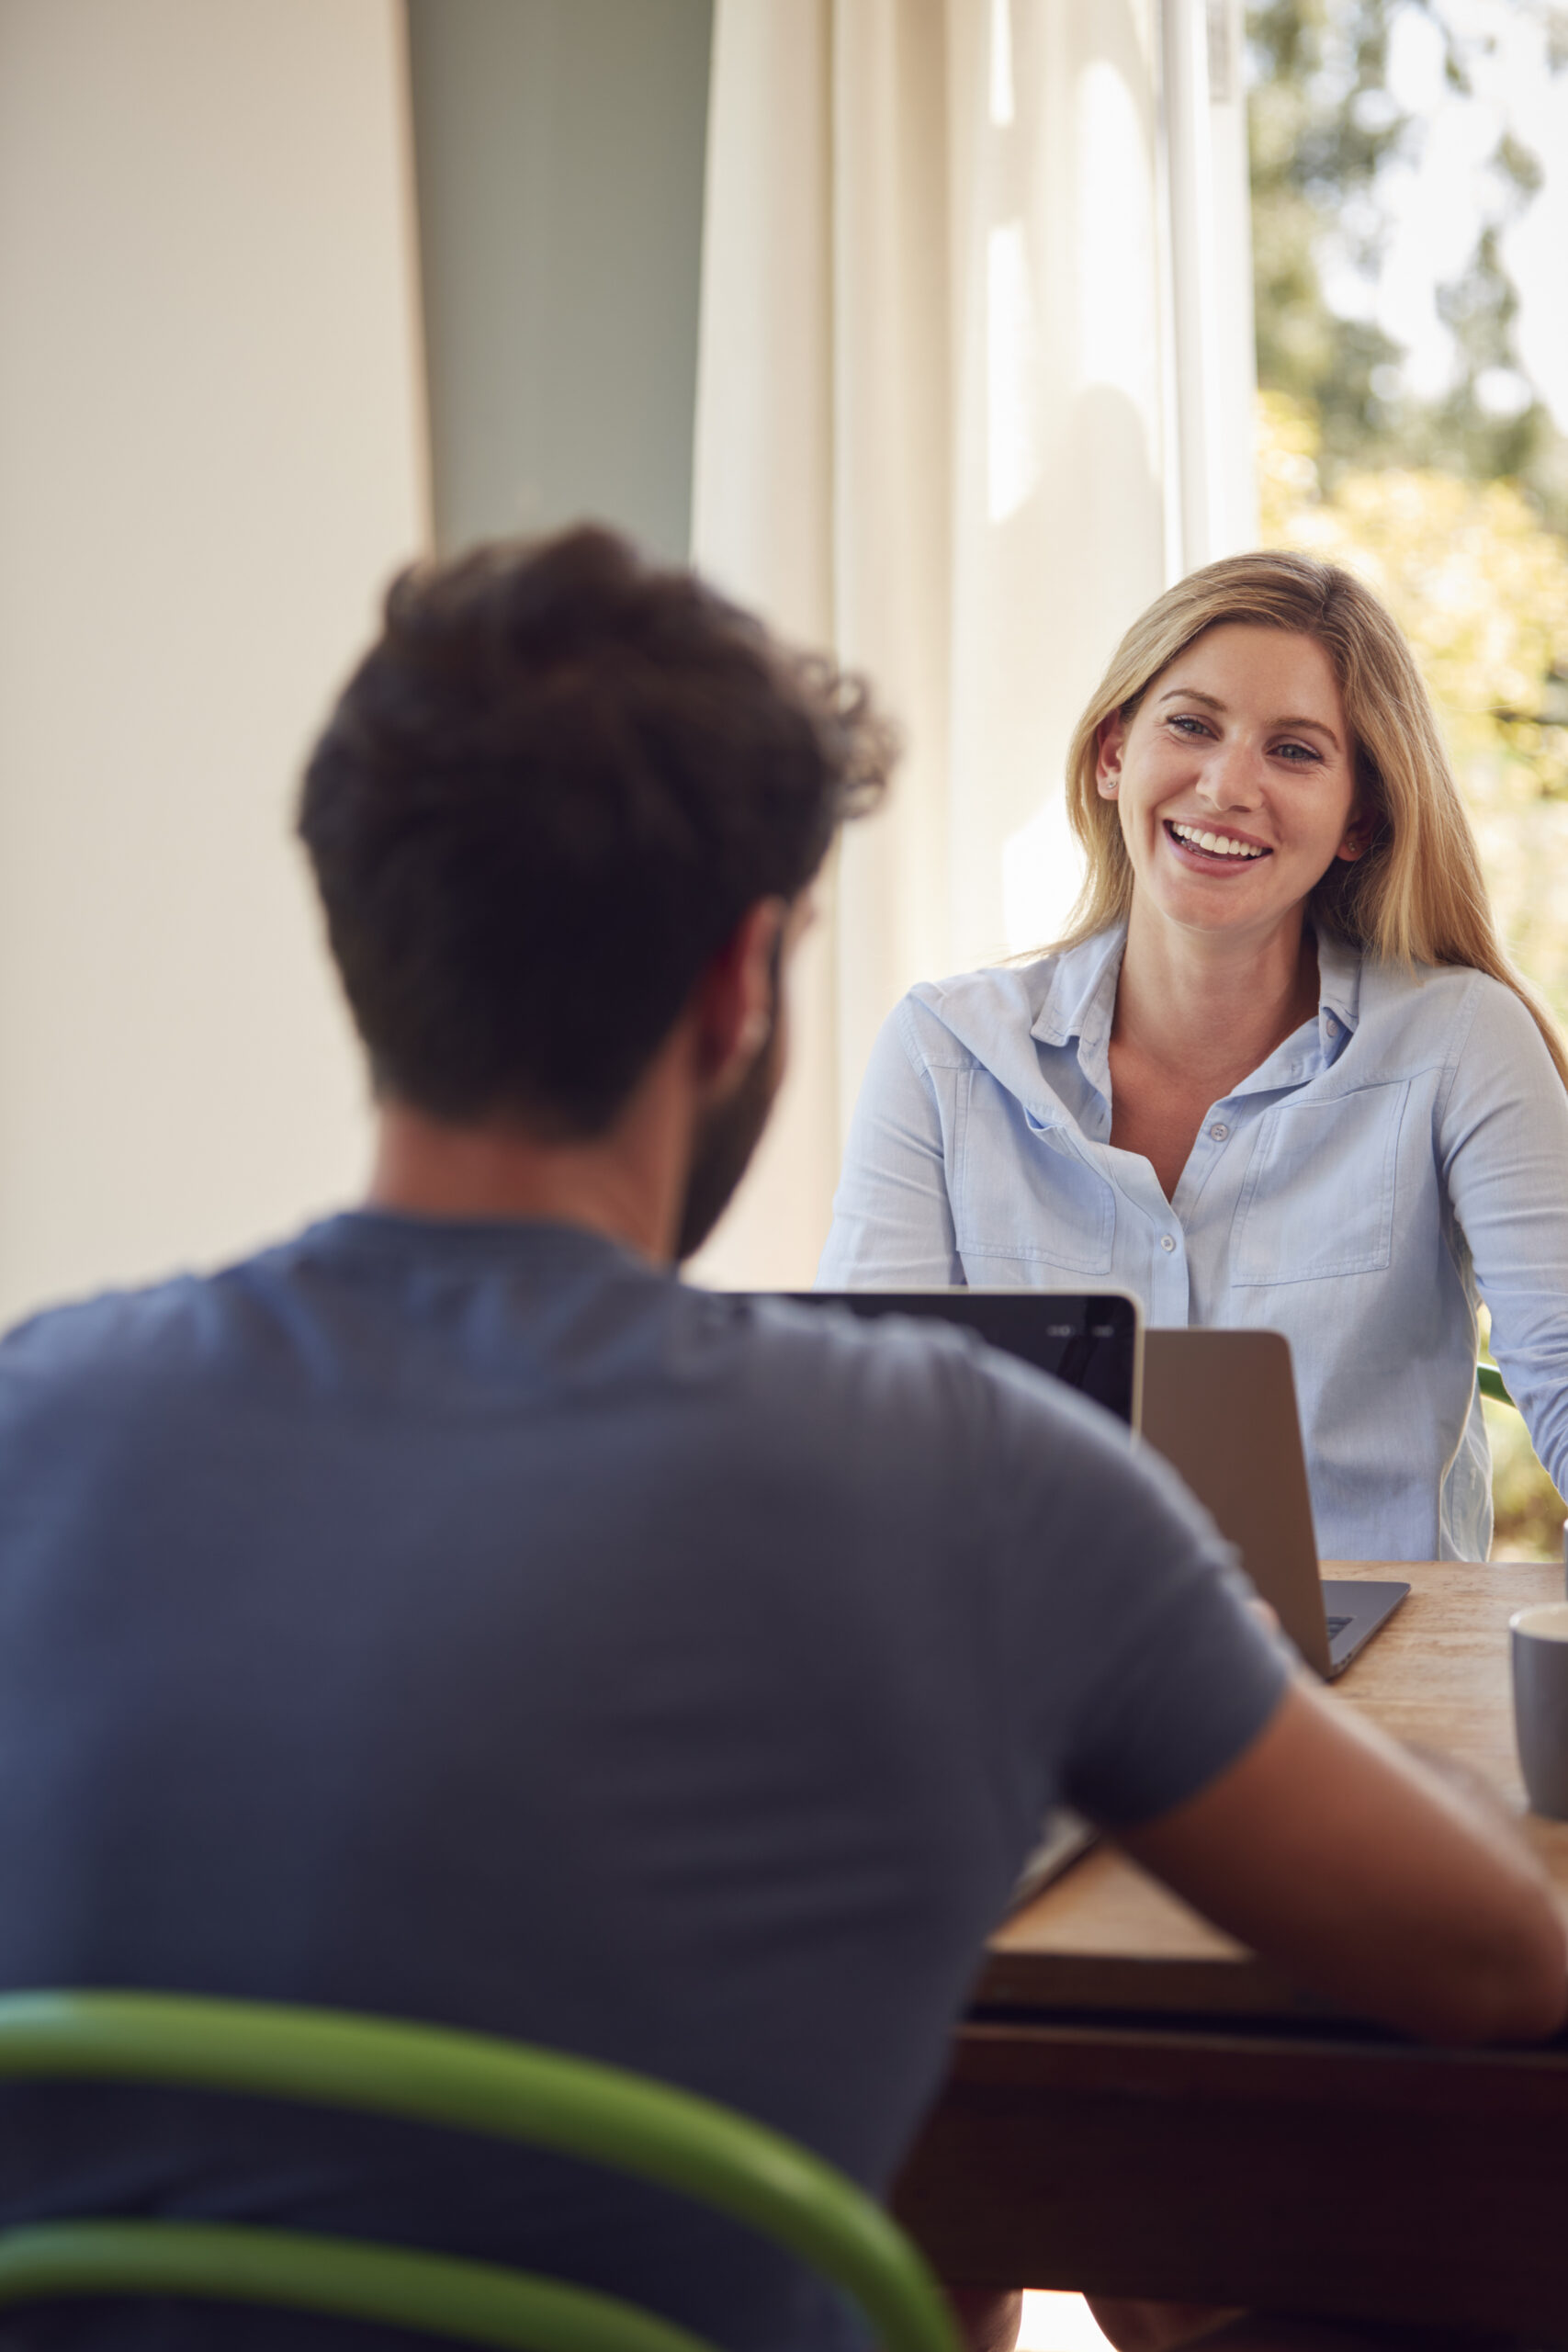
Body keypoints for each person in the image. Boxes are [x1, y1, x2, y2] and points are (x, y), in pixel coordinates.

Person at [0, 529, 1561, 2352]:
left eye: (1293, 748)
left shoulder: (38, 1418)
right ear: (745, 982)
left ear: (353, 926)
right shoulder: (977, 1476)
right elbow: (1496, 1960)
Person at [818, 550, 1568, 1564]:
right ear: (1112, 753)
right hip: (1038, 1679)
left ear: (1363, 819)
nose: (1226, 786)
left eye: (1296, 751)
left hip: (1371, 1687)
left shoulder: (1460, 1042)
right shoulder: (945, 1054)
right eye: (1192, 724)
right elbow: (868, 1435)